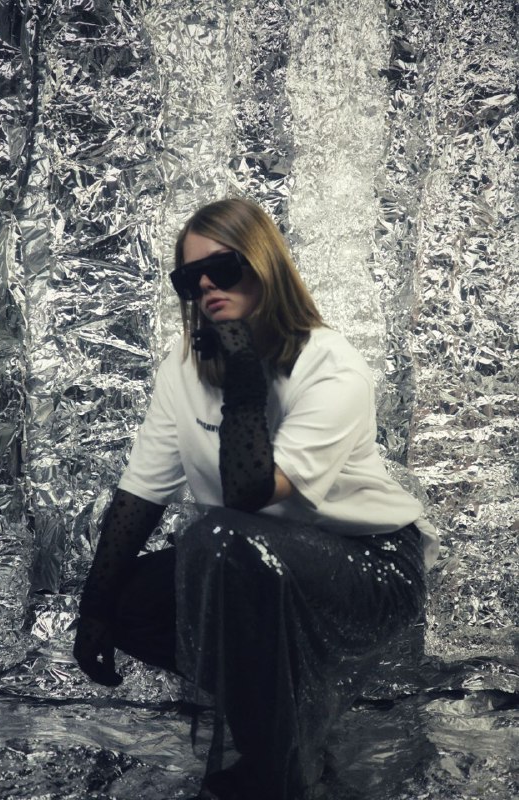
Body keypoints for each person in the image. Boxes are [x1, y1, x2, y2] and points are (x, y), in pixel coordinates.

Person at [73, 197, 439, 800]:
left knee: (221, 538)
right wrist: (95, 608)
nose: (206, 287)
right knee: (131, 600)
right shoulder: (182, 367)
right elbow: (142, 491)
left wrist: (244, 373)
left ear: (264, 265)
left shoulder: (330, 364)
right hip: (251, 567)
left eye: (223, 268)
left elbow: (249, 494)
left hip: (367, 567)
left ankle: (275, 767)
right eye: (190, 278)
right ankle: (288, 722)